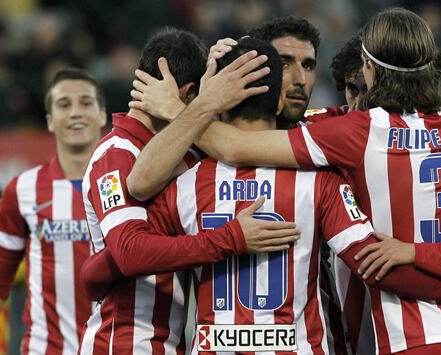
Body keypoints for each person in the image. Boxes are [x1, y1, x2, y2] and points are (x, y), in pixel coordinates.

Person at [129, 8, 441, 354]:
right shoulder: (341, 143)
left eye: (308, 64)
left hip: (385, 337)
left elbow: (213, 155)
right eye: (284, 62)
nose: (299, 78)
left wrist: (185, 109)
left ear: (369, 72)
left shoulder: (338, 133)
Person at [77, 28, 299, 355]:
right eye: (203, 100)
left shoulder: (191, 154)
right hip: (124, 344)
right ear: (189, 94)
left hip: (175, 341)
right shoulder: (115, 153)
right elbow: (130, 253)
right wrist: (231, 238)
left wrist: (227, 57)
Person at [0, 68, 107, 354]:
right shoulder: (22, 190)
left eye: (85, 102)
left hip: (114, 347)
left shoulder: (133, 185)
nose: (76, 112)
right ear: (49, 121)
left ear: (103, 115)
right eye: (64, 105)